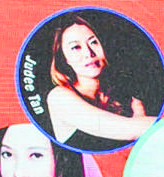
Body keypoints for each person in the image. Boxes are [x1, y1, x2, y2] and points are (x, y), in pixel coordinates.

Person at [46, 14, 156, 149]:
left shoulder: (123, 94)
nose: (88, 53)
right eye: (76, 47)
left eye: (93, 42)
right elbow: (129, 130)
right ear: (64, 59)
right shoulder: (58, 97)